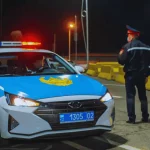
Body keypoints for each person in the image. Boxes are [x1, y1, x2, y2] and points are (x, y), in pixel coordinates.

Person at [118, 25, 150, 124]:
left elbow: (121, 60)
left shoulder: (127, 47)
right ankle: (145, 117)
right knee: (143, 97)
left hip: (130, 75)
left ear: (131, 36)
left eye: (128, 35)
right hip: (142, 76)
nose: (127, 36)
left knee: (130, 96)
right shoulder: (147, 47)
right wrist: (147, 75)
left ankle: (132, 118)